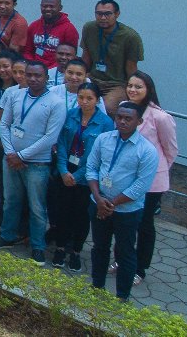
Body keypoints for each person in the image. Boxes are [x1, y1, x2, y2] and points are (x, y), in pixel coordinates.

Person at [0, 61, 66, 264]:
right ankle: (7, 236)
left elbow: (50, 137)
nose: (32, 79)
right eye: (29, 75)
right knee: (11, 201)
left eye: (38, 76)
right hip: (10, 159)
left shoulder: (56, 103)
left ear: (46, 78)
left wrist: (21, 156)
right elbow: (4, 125)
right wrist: (10, 152)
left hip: (37, 164)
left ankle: (38, 247)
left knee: (37, 207)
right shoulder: (16, 95)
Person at [86, 102, 159, 301]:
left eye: (128, 118)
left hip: (127, 211)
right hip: (98, 204)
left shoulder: (147, 151)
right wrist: (99, 199)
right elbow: (91, 168)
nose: (123, 121)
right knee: (99, 247)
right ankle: (97, 286)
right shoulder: (103, 139)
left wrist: (112, 204)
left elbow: (140, 186)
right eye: (119, 117)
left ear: (139, 121)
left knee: (125, 252)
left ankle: (122, 297)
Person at [52, 82, 112, 270]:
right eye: (81, 98)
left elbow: (100, 156)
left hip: (87, 177)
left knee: (81, 215)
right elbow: (61, 144)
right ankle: (60, 248)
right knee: (62, 212)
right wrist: (63, 170)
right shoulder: (70, 115)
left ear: (97, 100)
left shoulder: (105, 123)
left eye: (89, 99)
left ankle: (76, 251)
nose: (84, 102)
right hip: (65, 170)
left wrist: (77, 176)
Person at [124, 71, 176, 286]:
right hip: (127, 176)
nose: (133, 90)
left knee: (144, 225)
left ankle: (140, 267)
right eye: (130, 85)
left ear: (148, 90)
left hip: (152, 181)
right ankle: (123, 260)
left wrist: (157, 169)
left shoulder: (160, 117)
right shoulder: (125, 108)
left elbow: (170, 149)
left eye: (139, 87)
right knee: (124, 221)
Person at [80, 0, 142, 113]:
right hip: (93, 78)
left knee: (106, 109)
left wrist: (133, 92)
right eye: (99, 14)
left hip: (116, 84)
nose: (103, 18)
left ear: (117, 14)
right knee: (75, 100)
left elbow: (131, 69)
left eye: (108, 14)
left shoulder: (130, 37)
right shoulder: (89, 28)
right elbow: (86, 57)